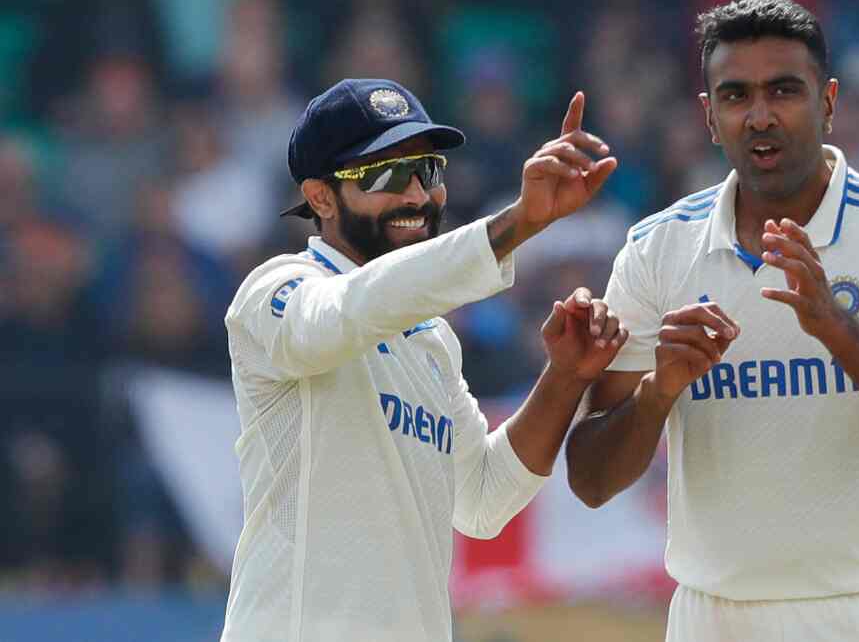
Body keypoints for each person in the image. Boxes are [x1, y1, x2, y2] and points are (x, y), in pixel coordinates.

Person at [565, 0, 859, 641]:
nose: (760, 116)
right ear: (710, 117)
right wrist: (658, 393)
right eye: (735, 96)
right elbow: (592, 480)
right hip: (719, 615)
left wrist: (838, 330)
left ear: (829, 102)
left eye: (784, 90)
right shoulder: (657, 249)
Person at [220, 78, 624, 641]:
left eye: (428, 171)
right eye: (385, 175)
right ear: (319, 197)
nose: (416, 196)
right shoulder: (276, 291)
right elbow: (346, 312)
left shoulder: (431, 339)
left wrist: (565, 377)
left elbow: (482, 499)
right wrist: (518, 224)